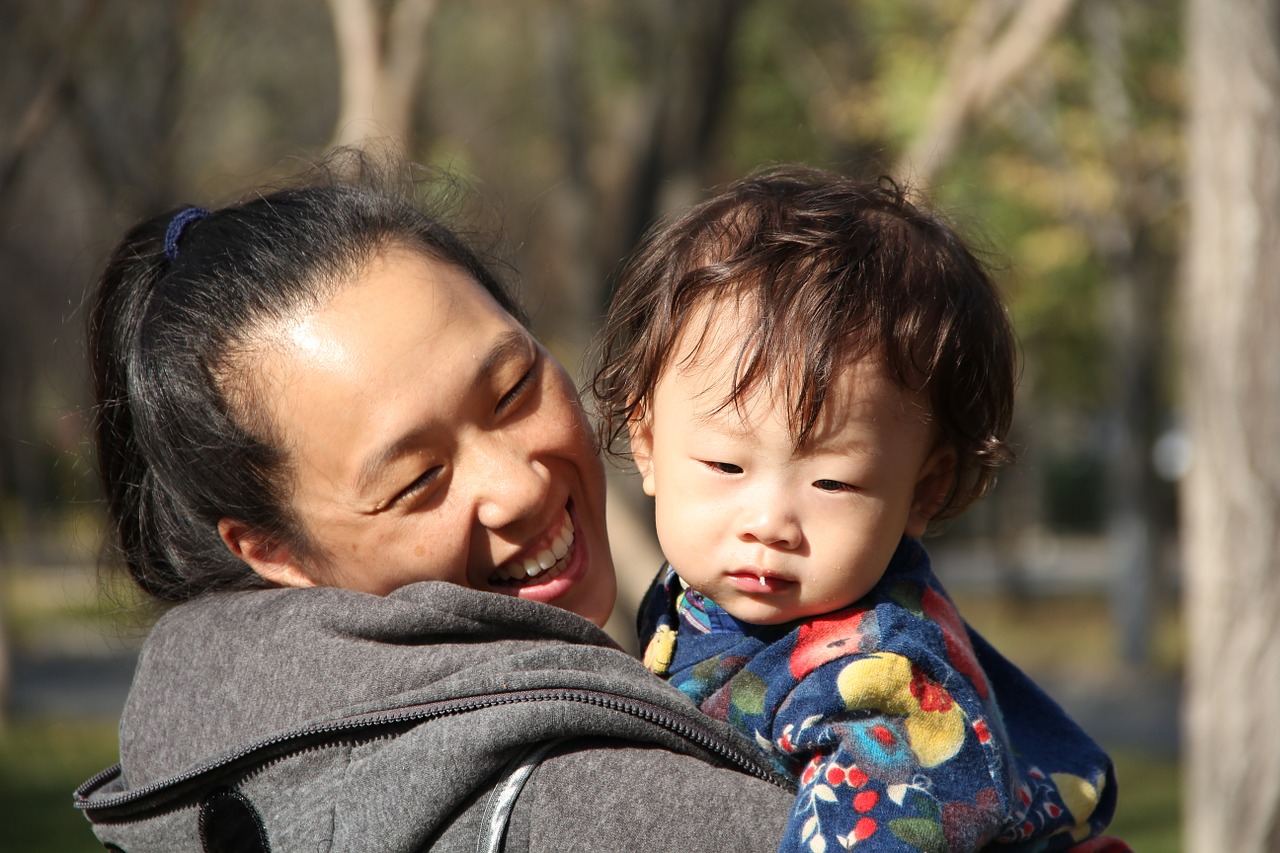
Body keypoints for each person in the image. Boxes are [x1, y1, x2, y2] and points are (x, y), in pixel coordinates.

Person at [73, 155, 797, 852]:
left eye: (514, 389)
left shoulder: (205, 762)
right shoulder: (612, 808)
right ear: (275, 550)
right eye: (418, 479)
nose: (518, 487)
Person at [592, 166, 1127, 852]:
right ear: (647, 446)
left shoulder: (886, 683)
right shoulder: (695, 592)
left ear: (924, 491)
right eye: (726, 465)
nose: (768, 523)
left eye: (832, 484)